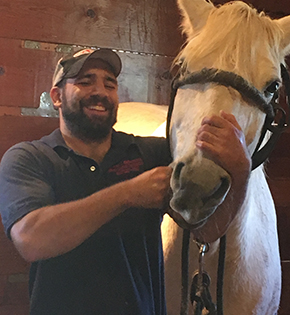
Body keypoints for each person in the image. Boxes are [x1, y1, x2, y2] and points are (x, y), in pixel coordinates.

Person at [0, 48, 251, 315]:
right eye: (85, 81)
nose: (100, 91)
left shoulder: (152, 153)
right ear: (57, 96)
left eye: (110, 84)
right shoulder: (29, 158)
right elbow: (31, 239)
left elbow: (206, 231)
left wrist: (242, 170)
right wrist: (128, 194)